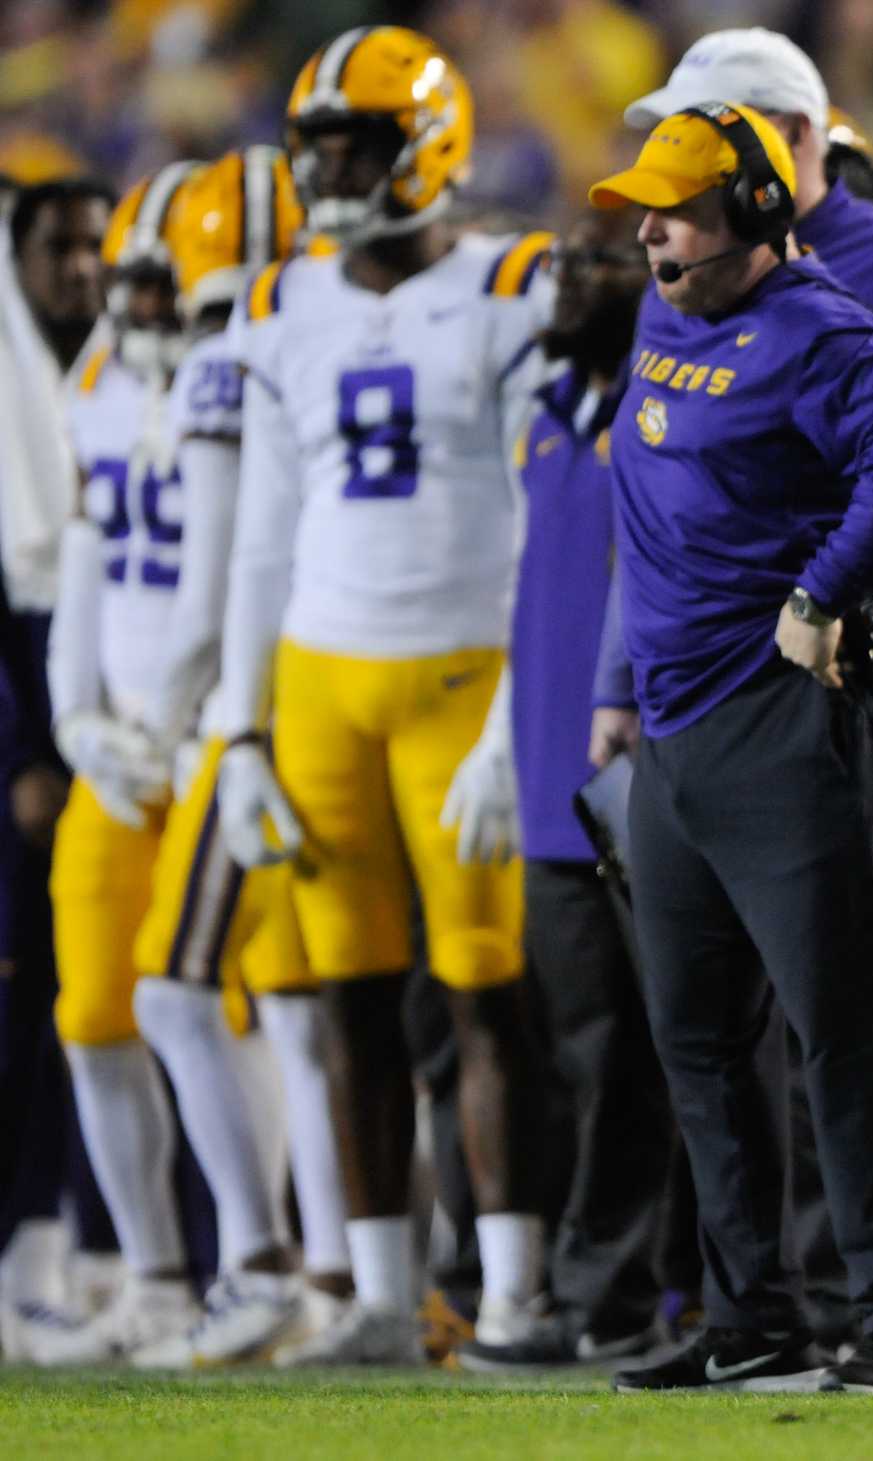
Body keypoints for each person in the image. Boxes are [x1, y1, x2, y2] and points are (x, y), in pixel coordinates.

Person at [584, 103, 873, 1395]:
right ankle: (754, 1315)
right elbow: (653, 515)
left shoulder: (829, 330)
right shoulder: (662, 310)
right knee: (697, 1036)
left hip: (797, 717)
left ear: (753, 211)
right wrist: (621, 683)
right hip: (679, 728)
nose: (648, 232)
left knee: (848, 1032)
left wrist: (826, 593)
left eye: (674, 210)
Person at [211, 26, 555, 1366]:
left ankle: (516, 1289)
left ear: (429, 147)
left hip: (466, 670)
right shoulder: (276, 302)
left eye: (358, 144)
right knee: (346, 997)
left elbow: (545, 521)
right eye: (318, 146)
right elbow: (261, 527)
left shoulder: (510, 285)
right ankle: (374, 1294)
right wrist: (240, 729)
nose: (332, 171)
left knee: (489, 994)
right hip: (318, 677)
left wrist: (512, 722)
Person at [122, 146, 355, 1370]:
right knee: (312, 1014)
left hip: (254, 710)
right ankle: (334, 1271)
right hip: (333, 687)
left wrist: (160, 718)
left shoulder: (235, 354)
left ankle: (262, 1264)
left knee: (174, 988)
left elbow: (219, 580)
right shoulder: (326, 328)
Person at [454, 206, 673, 1373]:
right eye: (567, 262)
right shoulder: (548, 414)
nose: (571, 280)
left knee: (645, 1045)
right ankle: (604, 1287)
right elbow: (528, 592)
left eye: (599, 263)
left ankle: (623, 1292)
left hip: (633, 772)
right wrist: (500, 731)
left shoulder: (663, 412)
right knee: (577, 1042)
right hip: (547, 774)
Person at [36, 162, 205, 1364]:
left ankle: (276, 1266)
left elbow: (260, 570)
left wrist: (213, 715)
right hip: (122, 738)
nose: (134, 301)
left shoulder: (249, 375)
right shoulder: (93, 383)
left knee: (233, 1016)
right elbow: (82, 561)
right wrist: (76, 718)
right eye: (128, 281)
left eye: (160, 281)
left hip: (216, 741)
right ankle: (152, 1277)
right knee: (95, 1012)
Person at [622, 27, 873, 383]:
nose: (678, 151)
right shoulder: (677, 256)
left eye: (707, 133)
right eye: (675, 130)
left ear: (795, 132)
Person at [0, 175, 113, 1355]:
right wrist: (23, 752)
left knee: (75, 1003)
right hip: (30, 713)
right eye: (57, 249)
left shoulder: (122, 377)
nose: (79, 272)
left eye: (96, 247)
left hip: (112, 715)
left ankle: (58, 1258)